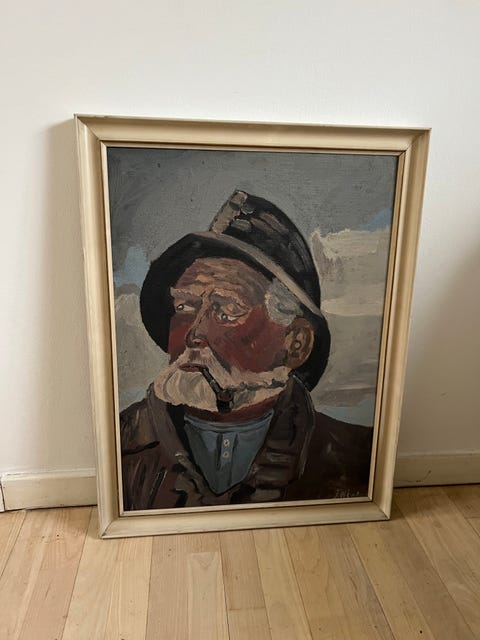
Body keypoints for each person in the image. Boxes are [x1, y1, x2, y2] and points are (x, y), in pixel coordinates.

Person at [120, 190, 372, 510]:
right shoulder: (121, 445)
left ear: (295, 344)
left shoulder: (356, 459)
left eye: (226, 311)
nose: (194, 334)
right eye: (184, 307)